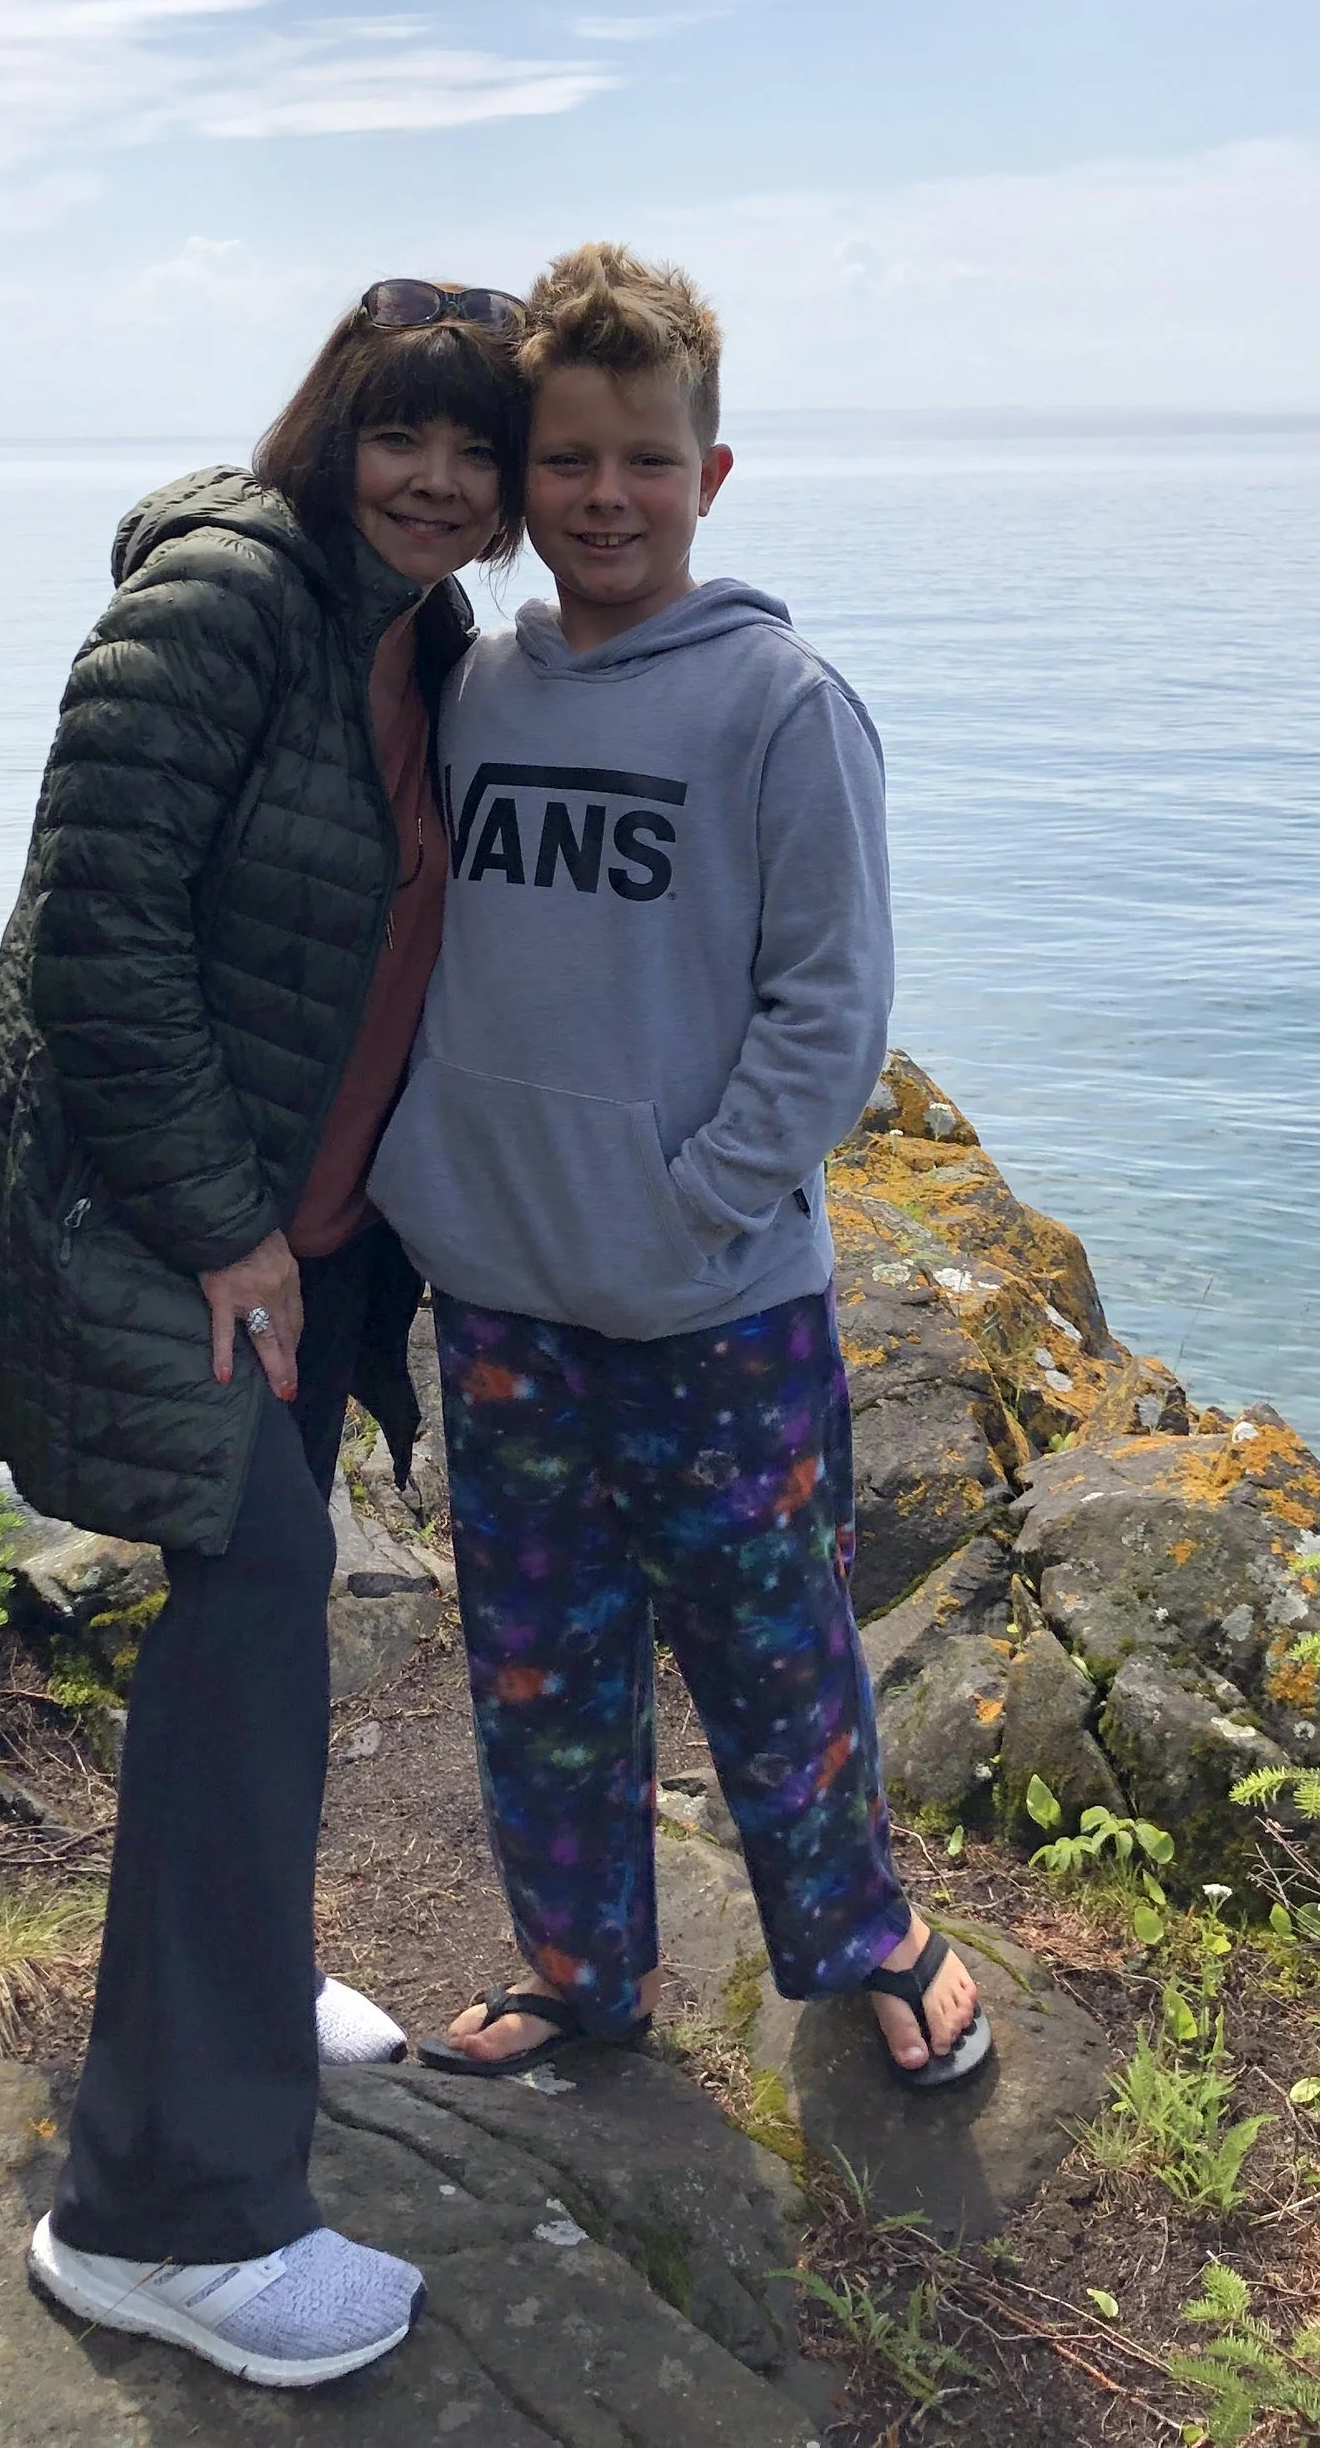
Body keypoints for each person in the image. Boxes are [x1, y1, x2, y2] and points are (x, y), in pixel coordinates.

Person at [0, 280, 530, 2388]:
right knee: (256, 1607)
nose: (440, 479)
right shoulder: (220, 602)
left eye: (481, 449)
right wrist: (220, 1228)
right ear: (329, 424)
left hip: (311, 1233)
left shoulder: (419, 637)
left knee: (258, 1620)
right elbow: (95, 920)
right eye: (405, 432)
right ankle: (158, 2217)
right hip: (179, 1223)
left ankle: (235, 1978)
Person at [369, 243, 988, 2092]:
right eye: (569, 462)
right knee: (538, 1667)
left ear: (709, 476)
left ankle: (865, 1937)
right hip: (502, 1301)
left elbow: (830, 1012)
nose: (606, 497)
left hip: (716, 1307)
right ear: (518, 484)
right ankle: (584, 1969)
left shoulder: (781, 706)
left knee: (780, 1652)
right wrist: (437, 1183)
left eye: (646, 460)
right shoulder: (473, 688)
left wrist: (691, 1198)